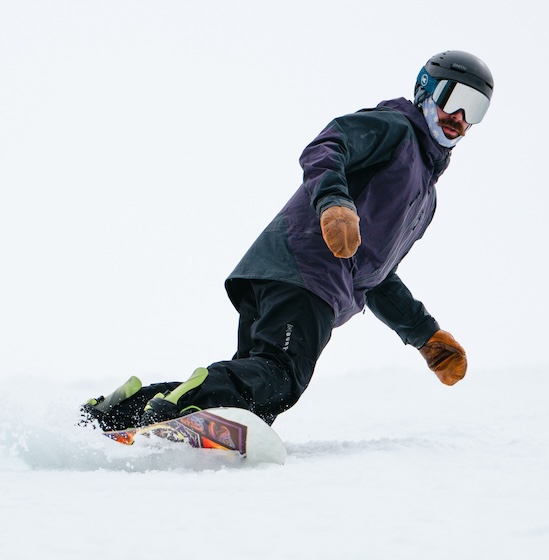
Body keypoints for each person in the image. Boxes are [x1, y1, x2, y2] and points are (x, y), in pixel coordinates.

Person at [83, 50, 494, 432]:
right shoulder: (394, 128)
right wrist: (334, 203)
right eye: (453, 98)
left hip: (292, 276)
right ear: (424, 90)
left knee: (254, 399)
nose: (459, 115)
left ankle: (123, 410)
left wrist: (426, 335)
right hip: (307, 270)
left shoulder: (426, 195)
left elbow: (376, 276)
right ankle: (185, 402)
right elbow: (328, 145)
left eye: (474, 108)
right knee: (281, 377)